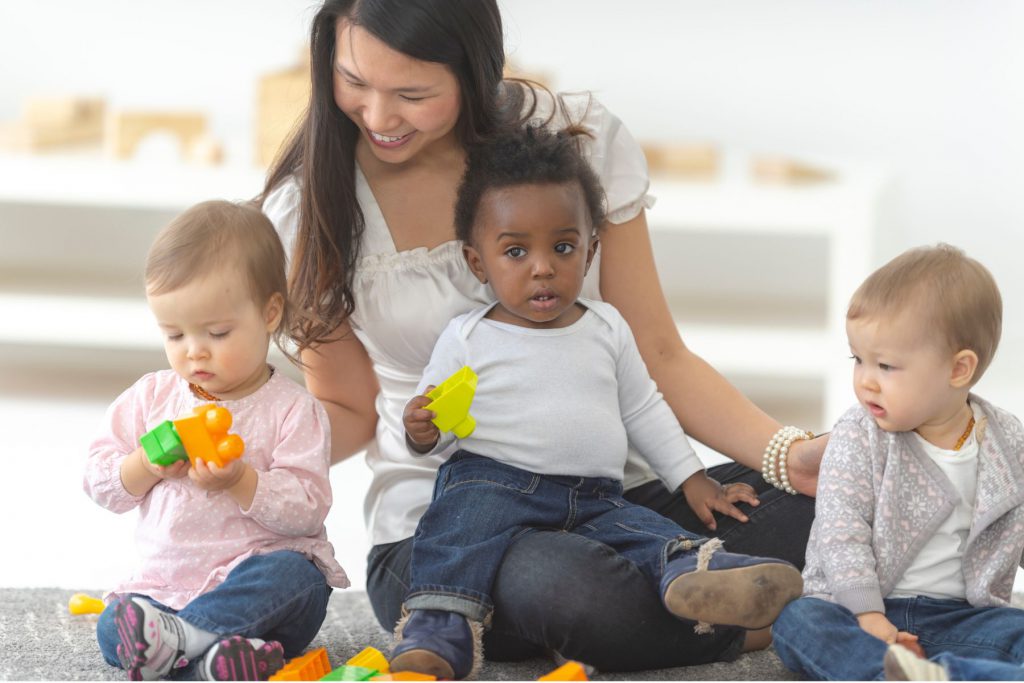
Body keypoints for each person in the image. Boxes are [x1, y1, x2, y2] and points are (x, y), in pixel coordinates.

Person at [260, 0, 826, 671]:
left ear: (475, 71)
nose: (379, 117)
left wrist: (785, 455)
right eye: (354, 81)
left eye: (412, 93)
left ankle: (696, 588)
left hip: (608, 492)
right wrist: (251, 459)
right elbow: (349, 411)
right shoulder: (311, 210)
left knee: (815, 514)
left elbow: (656, 352)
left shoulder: (571, 140)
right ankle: (762, 622)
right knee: (566, 584)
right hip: (453, 522)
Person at [388, 124, 804, 679]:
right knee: (456, 527)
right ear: (477, 261)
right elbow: (436, 422)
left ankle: (701, 573)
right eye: (516, 251)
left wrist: (691, 479)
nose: (543, 267)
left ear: (591, 252)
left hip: (595, 495)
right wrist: (421, 429)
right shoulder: (468, 335)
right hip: (493, 482)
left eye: (563, 247)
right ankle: (439, 624)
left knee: (641, 531)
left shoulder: (606, 326)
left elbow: (644, 409)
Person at [84, 200, 348, 681]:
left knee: (298, 579)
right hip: (164, 587)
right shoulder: (151, 397)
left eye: (218, 332)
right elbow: (99, 482)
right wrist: (144, 465)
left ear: (270, 313)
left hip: (255, 581)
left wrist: (241, 480)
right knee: (112, 626)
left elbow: (308, 507)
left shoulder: (294, 409)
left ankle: (184, 645)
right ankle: (211, 660)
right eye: (175, 334)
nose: (194, 350)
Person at [772, 244, 1024, 681]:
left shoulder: (1008, 441)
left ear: (958, 369)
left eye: (886, 365)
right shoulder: (858, 434)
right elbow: (841, 530)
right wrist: (869, 615)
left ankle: (944, 673)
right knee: (799, 623)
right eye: (858, 359)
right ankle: (887, 673)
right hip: (857, 612)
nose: (866, 380)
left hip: (961, 618)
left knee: (1017, 632)